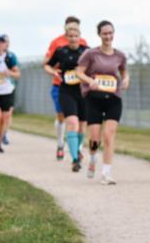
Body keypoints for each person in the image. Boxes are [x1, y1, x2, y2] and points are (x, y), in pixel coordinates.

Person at [76, 20, 129, 185]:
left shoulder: (120, 55)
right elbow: (78, 72)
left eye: (110, 33)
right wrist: (89, 81)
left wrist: (126, 80)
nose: (108, 36)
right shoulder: (90, 54)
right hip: (94, 99)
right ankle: (92, 158)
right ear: (99, 35)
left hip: (113, 98)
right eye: (105, 33)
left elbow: (124, 72)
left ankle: (106, 174)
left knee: (108, 135)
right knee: (95, 138)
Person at [45, 23, 88, 172]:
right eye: (70, 36)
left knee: (82, 126)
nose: (73, 39)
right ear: (66, 37)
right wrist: (54, 72)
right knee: (72, 123)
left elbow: (95, 67)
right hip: (67, 91)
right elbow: (47, 65)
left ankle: (77, 149)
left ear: (79, 36)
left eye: (76, 36)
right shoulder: (61, 51)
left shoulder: (86, 51)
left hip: (83, 91)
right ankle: (75, 158)